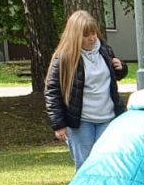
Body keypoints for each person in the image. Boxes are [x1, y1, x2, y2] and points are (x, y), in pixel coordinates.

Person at [44, 10, 128, 169]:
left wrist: (121, 68)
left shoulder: (105, 51)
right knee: (85, 167)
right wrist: (58, 124)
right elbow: (52, 91)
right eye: (86, 35)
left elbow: (114, 77)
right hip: (81, 122)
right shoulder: (64, 57)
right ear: (75, 36)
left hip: (108, 118)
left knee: (107, 165)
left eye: (93, 33)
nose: (92, 38)